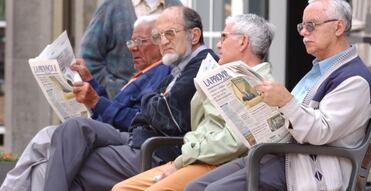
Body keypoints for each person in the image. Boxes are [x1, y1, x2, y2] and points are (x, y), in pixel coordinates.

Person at [186, 0, 371, 190]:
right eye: (302, 26)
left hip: (308, 168)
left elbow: (320, 131)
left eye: (311, 25)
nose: (303, 32)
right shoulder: (323, 69)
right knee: (194, 187)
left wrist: (285, 101)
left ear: (338, 27)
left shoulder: (354, 79)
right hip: (282, 155)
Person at [41, 6, 217, 191]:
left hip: (156, 148)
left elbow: (166, 115)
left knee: (69, 164)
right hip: (139, 136)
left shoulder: (202, 64)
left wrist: (148, 100)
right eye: (159, 36)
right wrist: (150, 101)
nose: (163, 42)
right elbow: (148, 110)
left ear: (195, 36)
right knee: (72, 128)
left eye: (170, 34)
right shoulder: (177, 67)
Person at [0, 15, 170, 191]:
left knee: (52, 137)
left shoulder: (162, 73)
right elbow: (117, 108)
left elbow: (136, 119)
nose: (133, 48)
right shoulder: (143, 74)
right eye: (131, 42)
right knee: (42, 166)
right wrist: (91, 82)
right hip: (113, 131)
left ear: (160, 42)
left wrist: (97, 101)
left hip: (130, 137)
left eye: (140, 41)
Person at [111, 13, 276, 191]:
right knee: (121, 188)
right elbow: (204, 126)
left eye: (224, 37)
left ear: (243, 42)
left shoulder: (258, 85)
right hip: (195, 157)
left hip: (217, 164)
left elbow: (233, 143)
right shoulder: (227, 77)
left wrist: (181, 160)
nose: (218, 44)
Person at [80, 0, 181, 98]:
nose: (134, 48)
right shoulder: (112, 6)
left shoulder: (177, 8)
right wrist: (115, 90)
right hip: (119, 105)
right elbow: (88, 58)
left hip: (164, 102)